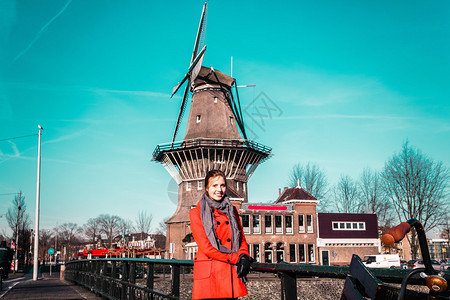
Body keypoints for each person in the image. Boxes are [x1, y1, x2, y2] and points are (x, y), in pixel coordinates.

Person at [189, 169, 251, 300]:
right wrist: (235, 258)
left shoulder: (232, 209)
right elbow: (206, 247)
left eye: (222, 185)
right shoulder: (196, 213)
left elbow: (241, 239)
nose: (219, 190)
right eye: (214, 185)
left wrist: (244, 255)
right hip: (210, 276)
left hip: (229, 273)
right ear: (207, 188)